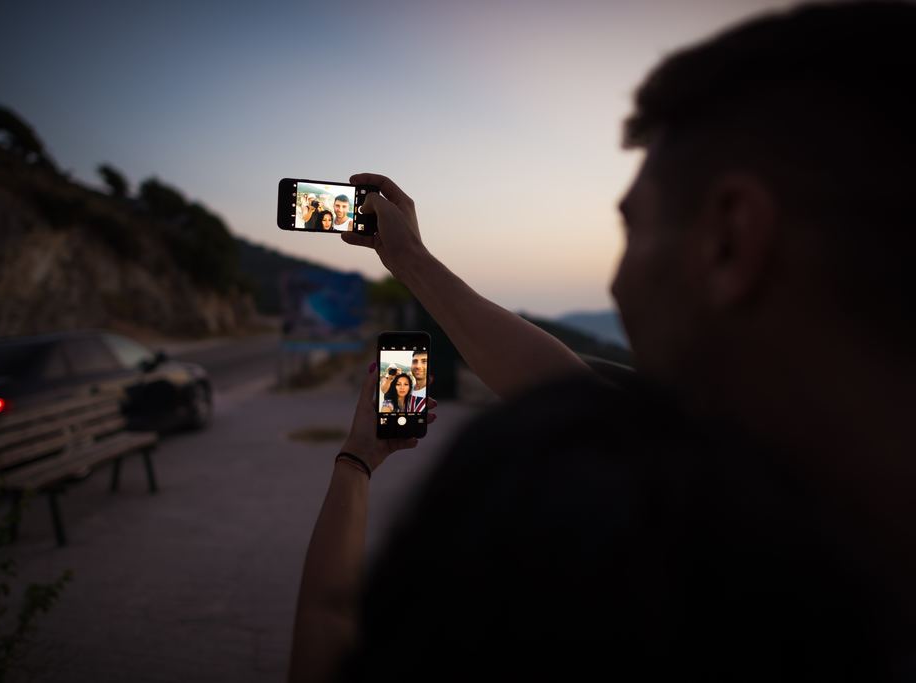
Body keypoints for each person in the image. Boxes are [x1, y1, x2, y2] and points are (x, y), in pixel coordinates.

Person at [289, 3, 916, 682]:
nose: (616, 282)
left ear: (730, 238)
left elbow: (330, 656)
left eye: (634, 228)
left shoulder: (656, 565)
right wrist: (410, 258)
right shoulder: (839, 521)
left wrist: (355, 462)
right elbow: (558, 380)